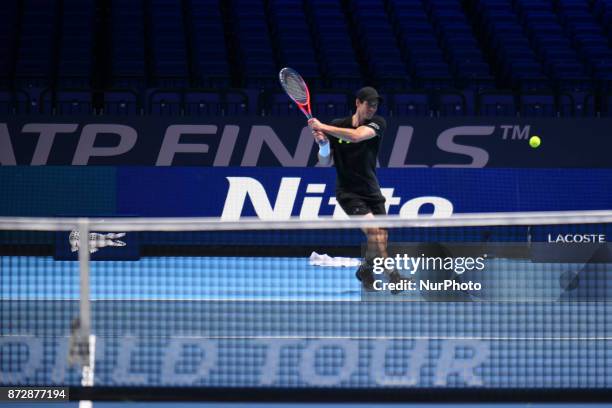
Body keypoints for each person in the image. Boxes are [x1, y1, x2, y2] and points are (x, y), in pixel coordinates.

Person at [308, 86, 405, 292]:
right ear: (358, 103)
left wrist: (322, 126)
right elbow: (325, 162)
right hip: (348, 192)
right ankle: (394, 276)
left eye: (375, 104)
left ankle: (365, 270)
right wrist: (323, 146)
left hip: (372, 191)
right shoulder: (338, 125)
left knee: (380, 238)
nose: (372, 108)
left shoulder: (378, 123)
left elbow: (356, 136)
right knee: (374, 232)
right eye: (369, 103)